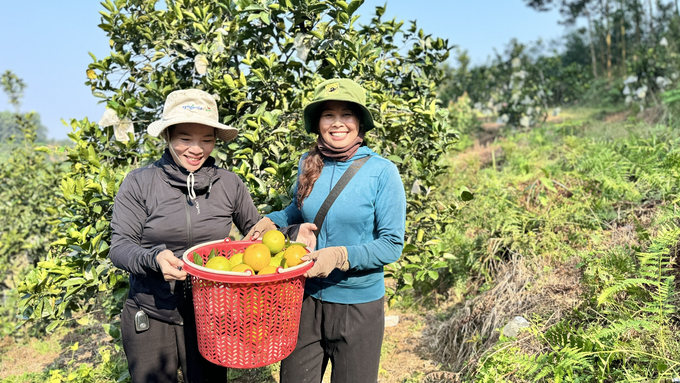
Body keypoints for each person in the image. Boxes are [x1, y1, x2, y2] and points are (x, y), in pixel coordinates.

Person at [246, 78, 407, 383]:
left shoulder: (382, 172)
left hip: (357, 307)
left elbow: (391, 244)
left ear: (359, 122)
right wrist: (274, 220)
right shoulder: (308, 162)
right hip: (304, 299)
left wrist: (338, 256)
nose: (337, 124)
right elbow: (299, 209)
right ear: (318, 123)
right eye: (328, 115)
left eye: (346, 114)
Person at [110, 89, 261, 383]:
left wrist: (291, 233)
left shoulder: (229, 184)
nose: (196, 149)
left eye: (207, 139)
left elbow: (258, 237)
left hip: (211, 314)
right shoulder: (140, 183)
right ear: (168, 136)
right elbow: (120, 247)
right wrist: (154, 258)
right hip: (151, 311)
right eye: (185, 138)